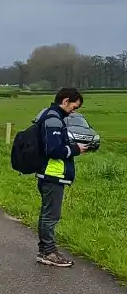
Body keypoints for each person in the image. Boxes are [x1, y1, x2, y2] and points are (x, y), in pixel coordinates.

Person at [34, 87, 87, 268]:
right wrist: (76, 149)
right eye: (74, 107)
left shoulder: (50, 116)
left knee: (47, 214)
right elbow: (53, 150)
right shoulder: (53, 120)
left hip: (49, 173)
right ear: (65, 101)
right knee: (51, 216)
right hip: (53, 174)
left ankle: (45, 250)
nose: (74, 111)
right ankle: (48, 252)